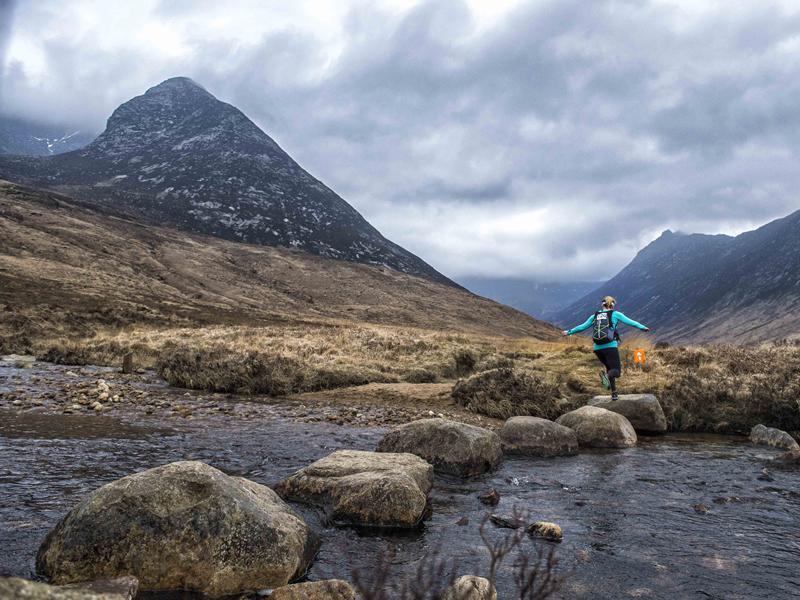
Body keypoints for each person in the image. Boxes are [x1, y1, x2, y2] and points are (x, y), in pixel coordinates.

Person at [562, 296, 649, 401]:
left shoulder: (595, 316)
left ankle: (614, 393)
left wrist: (569, 332)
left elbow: (582, 326)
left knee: (610, 368)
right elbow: (631, 322)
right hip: (610, 346)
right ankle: (607, 377)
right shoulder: (615, 314)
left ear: (602, 305)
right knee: (616, 371)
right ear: (612, 305)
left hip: (597, 348)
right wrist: (642, 327)